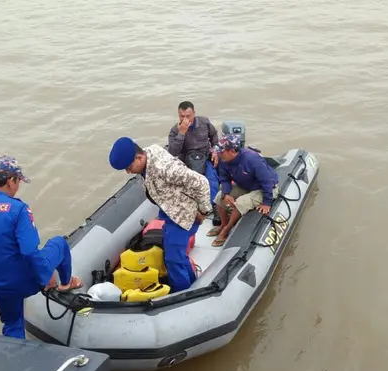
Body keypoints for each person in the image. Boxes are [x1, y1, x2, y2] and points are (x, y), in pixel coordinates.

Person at [0, 155, 83, 340]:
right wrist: (45, 277)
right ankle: (66, 283)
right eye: (18, 181)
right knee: (59, 243)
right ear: (10, 181)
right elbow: (30, 252)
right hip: (25, 280)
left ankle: (15, 359)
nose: (18, 186)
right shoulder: (18, 209)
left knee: (12, 323)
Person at [108, 137, 211, 292]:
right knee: (178, 255)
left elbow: (201, 182)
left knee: (173, 260)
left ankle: (182, 295)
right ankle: (193, 285)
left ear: (139, 157)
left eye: (129, 167)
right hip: (170, 210)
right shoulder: (148, 153)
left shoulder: (165, 168)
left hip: (183, 215)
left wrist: (203, 210)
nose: (128, 172)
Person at [208, 134, 280, 247]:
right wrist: (226, 193)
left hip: (264, 187)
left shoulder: (252, 159)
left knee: (240, 203)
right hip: (246, 185)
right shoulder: (223, 160)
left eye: (222, 152)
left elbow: (267, 182)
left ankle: (227, 230)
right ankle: (223, 224)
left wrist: (267, 202)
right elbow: (224, 178)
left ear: (231, 151)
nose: (219, 154)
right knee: (219, 197)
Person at [167, 101, 221, 224]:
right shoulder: (175, 130)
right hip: (187, 161)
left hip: (205, 156)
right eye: (182, 116)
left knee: (211, 180)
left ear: (194, 114)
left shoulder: (204, 122)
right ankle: (192, 210)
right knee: (190, 184)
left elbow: (214, 137)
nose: (185, 119)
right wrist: (182, 133)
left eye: (188, 116)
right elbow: (172, 152)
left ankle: (214, 206)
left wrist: (215, 150)